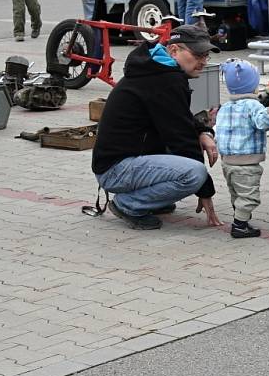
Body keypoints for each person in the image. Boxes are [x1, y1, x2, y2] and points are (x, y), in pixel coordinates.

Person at [91, 25, 222, 231]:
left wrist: (203, 132)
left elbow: (179, 119)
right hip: (115, 169)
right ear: (173, 51)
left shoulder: (158, 70)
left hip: (120, 162)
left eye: (206, 55)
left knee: (189, 160)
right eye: (197, 55)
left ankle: (149, 200)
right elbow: (181, 139)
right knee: (194, 173)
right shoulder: (164, 79)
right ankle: (128, 204)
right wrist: (204, 189)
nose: (203, 62)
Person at [215, 59, 269, 238]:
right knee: (249, 196)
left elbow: (218, 132)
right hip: (246, 163)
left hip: (227, 162)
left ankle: (241, 219)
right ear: (253, 87)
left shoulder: (225, 108)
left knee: (237, 193)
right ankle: (239, 226)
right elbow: (263, 123)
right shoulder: (253, 105)